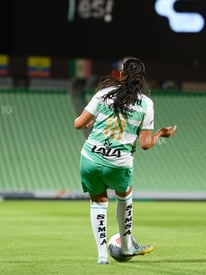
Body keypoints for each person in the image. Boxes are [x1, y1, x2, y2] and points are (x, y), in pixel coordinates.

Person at [74, 57, 177, 264]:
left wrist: (93, 122)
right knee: (124, 196)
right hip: (118, 163)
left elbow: (78, 124)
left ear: (121, 75)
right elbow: (146, 144)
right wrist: (160, 134)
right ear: (142, 79)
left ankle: (102, 256)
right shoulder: (146, 104)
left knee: (98, 202)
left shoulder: (103, 94)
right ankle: (128, 246)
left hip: (91, 158)